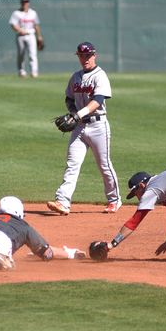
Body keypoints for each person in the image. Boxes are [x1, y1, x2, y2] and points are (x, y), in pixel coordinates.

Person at [47, 42, 122, 215]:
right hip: (79, 128)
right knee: (71, 165)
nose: (85, 59)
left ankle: (114, 200)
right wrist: (73, 113)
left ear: (94, 55)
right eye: (81, 56)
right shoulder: (75, 77)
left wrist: (78, 114)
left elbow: (99, 100)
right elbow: (68, 98)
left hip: (98, 126)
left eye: (88, 56)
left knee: (104, 165)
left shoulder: (100, 75)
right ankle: (63, 201)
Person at [9, 0, 43, 78]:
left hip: (31, 35)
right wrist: (20, 31)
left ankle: (34, 72)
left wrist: (39, 36)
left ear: (28, 3)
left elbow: (36, 25)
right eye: (23, 2)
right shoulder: (16, 13)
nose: (25, 4)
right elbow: (13, 24)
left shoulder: (33, 13)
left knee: (33, 54)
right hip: (20, 36)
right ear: (21, 3)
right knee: (21, 54)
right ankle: (21, 71)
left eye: (26, 2)